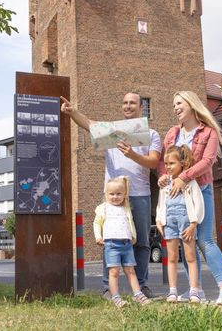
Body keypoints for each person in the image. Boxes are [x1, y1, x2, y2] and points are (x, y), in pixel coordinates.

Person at [61, 92, 161, 298]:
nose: (128, 106)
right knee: (111, 240)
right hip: (114, 197)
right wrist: (72, 112)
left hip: (139, 193)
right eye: (124, 102)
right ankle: (108, 288)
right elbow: (87, 123)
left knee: (141, 241)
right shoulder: (111, 130)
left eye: (132, 103)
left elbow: (153, 162)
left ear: (142, 108)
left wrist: (132, 154)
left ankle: (141, 286)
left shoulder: (152, 134)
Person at [157, 90, 222, 305]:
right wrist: (164, 177)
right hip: (175, 195)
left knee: (205, 239)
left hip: (200, 190)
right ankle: (195, 289)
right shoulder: (173, 133)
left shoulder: (208, 132)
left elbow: (208, 161)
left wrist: (183, 177)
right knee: (185, 240)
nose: (176, 108)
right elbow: (164, 162)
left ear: (191, 104)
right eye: (174, 105)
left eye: (179, 103)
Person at [93, 177, 151, 307]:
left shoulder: (126, 208)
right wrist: (98, 236)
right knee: (113, 272)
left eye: (119, 194)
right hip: (111, 245)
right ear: (106, 194)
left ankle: (138, 294)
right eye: (111, 194)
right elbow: (97, 223)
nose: (115, 197)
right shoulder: (104, 208)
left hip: (126, 245)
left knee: (131, 270)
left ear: (125, 194)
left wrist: (133, 236)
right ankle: (115, 297)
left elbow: (130, 223)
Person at [156, 145, 204, 303]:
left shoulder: (190, 183)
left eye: (172, 163)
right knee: (172, 257)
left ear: (182, 163)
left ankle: (194, 291)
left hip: (186, 223)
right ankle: (172, 291)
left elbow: (198, 203)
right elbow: (161, 204)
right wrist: (159, 220)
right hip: (170, 222)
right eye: (166, 164)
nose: (168, 167)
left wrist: (193, 224)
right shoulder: (164, 184)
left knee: (190, 257)